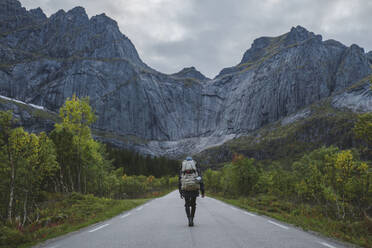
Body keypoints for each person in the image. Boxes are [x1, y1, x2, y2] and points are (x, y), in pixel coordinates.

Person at [179, 156, 205, 227]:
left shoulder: (183, 169)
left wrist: (180, 192)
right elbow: (200, 179)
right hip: (194, 188)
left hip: (185, 188)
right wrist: (202, 191)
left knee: (187, 204)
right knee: (193, 204)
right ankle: (192, 219)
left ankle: (189, 219)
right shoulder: (196, 169)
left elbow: (180, 180)